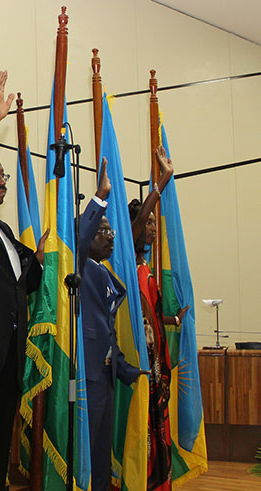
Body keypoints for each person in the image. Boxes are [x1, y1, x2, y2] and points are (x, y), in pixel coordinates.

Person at [0, 71, 48, 491]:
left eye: (3, 178)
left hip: (10, 358)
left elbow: (25, 284)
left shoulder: (1, 229)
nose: (3, 183)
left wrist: (37, 259)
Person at [77, 158, 147, 491]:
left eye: (110, 230)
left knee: (103, 453)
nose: (110, 237)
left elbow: (109, 335)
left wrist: (130, 371)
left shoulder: (106, 273)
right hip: (85, 377)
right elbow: (78, 235)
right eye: (102, 231)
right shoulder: (79, 264)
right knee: (87, 452)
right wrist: (101, 197)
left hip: (105, 377)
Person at [127, 146, 188, 491]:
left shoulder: (146, 268)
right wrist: (162, 180)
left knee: (157, 431)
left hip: (156, 368)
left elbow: (150, 319)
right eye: (146, 223)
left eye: (153, 223)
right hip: (141, 368)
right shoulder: (127, 267)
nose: (151, 229)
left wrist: (175, 321)